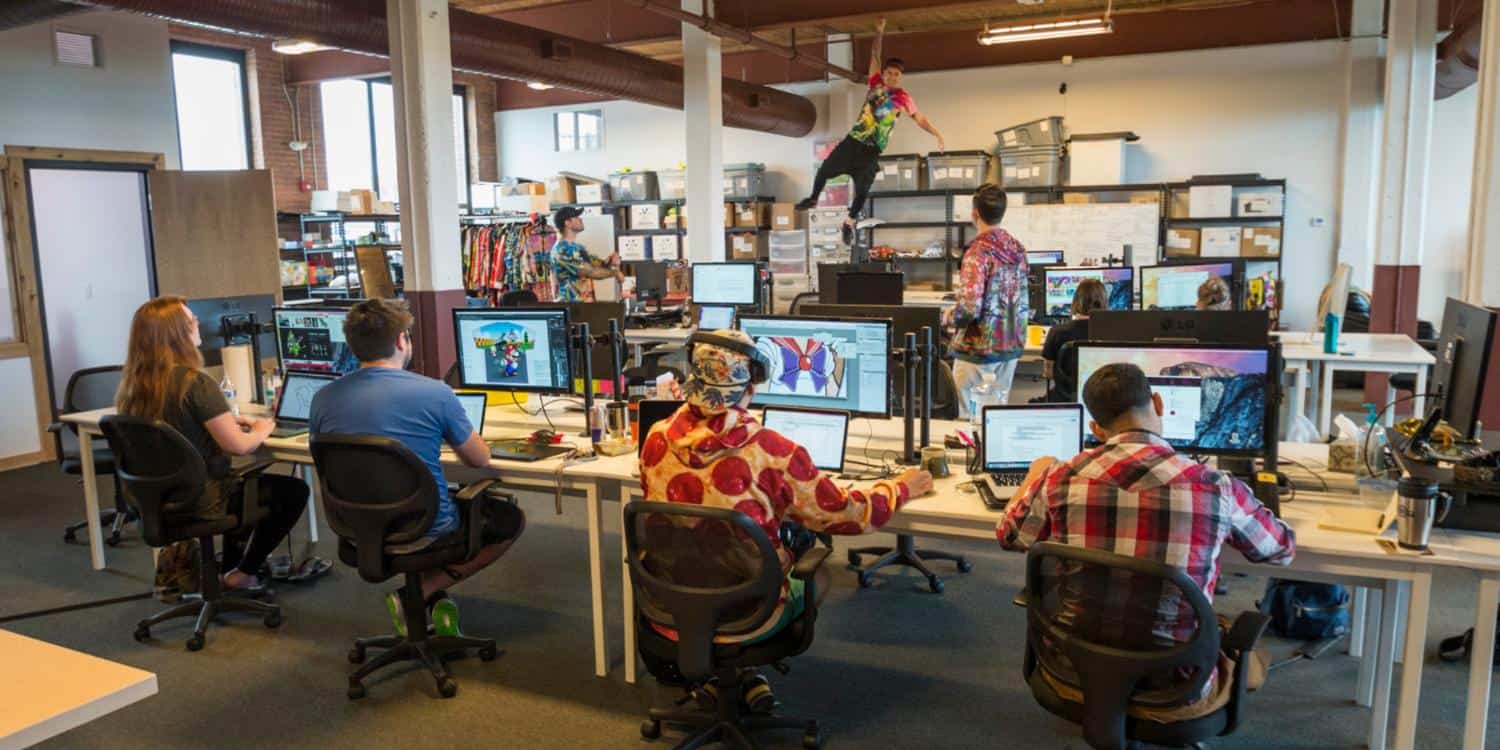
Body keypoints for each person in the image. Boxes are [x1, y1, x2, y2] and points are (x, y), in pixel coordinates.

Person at [637, 330, 933, 705]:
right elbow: (846, 515)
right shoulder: (770, 449)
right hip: (749, 611)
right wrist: (901, 487)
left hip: (670, 605)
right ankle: (739, 669)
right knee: (818, 572)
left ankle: (731, 677)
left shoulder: (656, 437)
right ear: (751, 385)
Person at [996, 363, 1294, 714]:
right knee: (1244, 649)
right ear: (1158, 403)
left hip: (1070, 671)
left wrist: (1034, 476)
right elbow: (1281, 550)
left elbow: (1010, 535)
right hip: (1177, 686)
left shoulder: (1059, 477)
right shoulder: (1216, 486)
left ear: (1096, 429)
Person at [308, 299, 525, 637]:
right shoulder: (435, 393)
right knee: (509, 518)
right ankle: (421, 592)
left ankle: (427, 601)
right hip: (423, 526)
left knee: (421, 495)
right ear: (401, 341)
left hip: (355, 526)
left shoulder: (322, 398)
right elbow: (479, 460)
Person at [116, 297, 308, 592]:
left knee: (241, 483)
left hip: (156, 499)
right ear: (177, 333)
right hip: (202, 500)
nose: (198, 324)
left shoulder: (132, 387)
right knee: (291, 491)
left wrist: (224, 422)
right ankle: (243, 572)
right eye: (192, 321)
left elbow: (176, 428)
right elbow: (239, 447)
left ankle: (229, 567)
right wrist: (263, 427)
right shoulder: (195, 383)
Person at [795, 17, 945, 243]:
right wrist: (879, 32)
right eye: (889, 73)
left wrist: (937, 134)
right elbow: (875, 55)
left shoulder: (903, 98)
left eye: (896, 74)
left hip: (872, 150)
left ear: (901, 77)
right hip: (853, 141)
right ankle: (813, 198)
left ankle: (849, 222)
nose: (892, 77)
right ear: (883, 74)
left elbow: (920, 119)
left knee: (863, 191)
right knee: (824, 169)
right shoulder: (875, 83)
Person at [944, 183, 1029, 417]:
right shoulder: (1018, 248)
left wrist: (950, 316)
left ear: (975, 214)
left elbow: (970, 307)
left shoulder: (978, 251)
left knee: (966, 418)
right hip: (1010, 345)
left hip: (978, 348)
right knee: (994, 417)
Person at [1040, 278, 1106, 403]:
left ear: (1076, 301)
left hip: (1065, 398)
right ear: (1104, 301)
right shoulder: (1114, 332)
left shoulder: (1057, 332)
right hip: (1101, 398)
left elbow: (1048, 373)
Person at [551, 205, 622, 302]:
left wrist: (610, 261)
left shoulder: (577, 247)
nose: (580, 219)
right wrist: (615, 273)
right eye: (576, 217)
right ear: (567, 223)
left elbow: (596, 265)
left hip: (583, 304)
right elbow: (590, 272)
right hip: (572, 305)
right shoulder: (562, 250)